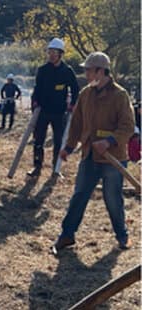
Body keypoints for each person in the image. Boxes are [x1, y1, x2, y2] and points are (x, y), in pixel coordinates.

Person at [53, 52, 134, 253]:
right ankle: (67, 235)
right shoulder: (85, 94)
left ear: (101, 71)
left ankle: (122, 235)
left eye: (89, 70)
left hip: (113, 158)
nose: (86, 74)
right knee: (79, 195)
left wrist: (109, 141)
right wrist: (69, 147)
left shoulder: (120, 96)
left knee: (113, 198)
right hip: (89, 155)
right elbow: (77, 124)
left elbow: (128, 126)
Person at [28, 38, 80, 177]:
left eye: (54, 52)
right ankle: (37, 166)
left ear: (60, 54)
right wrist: (34, 104)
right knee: (39, 140)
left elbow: (75, 89)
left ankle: (56, 169)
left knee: (59, 141)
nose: (51, 55)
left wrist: (73, 104)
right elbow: (37, 90)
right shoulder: (42, 70)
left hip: (60, 113)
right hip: (43, 111)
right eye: (49, 52)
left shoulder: (67, 71)